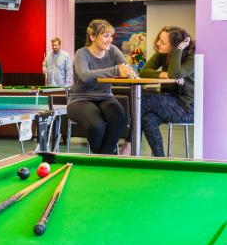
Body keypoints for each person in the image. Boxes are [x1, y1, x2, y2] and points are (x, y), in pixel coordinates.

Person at [67, 19, 131, 154]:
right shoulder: (82, 53)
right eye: (105, 36)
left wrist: (129, 73)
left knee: (119, 117)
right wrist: (115, 71)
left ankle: (104, 157)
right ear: (92, 36)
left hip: (105, 97)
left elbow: (129, 69)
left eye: (111, 36)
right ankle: (107, 157)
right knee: (97, 126)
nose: (110, 40)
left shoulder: (113, 51)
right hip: (80, 99)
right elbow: (84, 75)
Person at [138, 26, 195, 157]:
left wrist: (178, 50)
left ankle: (129, 145)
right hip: (168, 101)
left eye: (163, 42)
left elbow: (175, 73)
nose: (157, 43)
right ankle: (160, 159)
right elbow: (143, 72)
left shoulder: (191, 56)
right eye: (159, 39)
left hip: (186, 108)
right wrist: (162, 74)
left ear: (174, 45)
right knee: (148, 119)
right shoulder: (162, 54)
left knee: (143, 100)